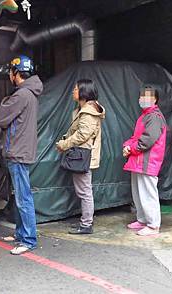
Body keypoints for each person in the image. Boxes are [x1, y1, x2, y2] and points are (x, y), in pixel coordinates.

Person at [0, 55, 42, 255]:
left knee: (23, 198)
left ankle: (29, 240)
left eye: (11, 74)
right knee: (21, 196)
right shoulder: (29, 93)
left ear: (16, 74)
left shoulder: (22, 95)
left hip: (18, 153)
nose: (10, 77)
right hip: (21, 151)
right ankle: (22, 235)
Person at [56, 79, 106, 235]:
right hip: (80, 154)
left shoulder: (88, 112)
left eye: (76, 89)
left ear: (84, 91)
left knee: (84, 192)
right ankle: (85, 222)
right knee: (83, 190)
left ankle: (86, 224)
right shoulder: (83, 110)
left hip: (82, 155)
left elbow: (82, 135)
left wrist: (64, 144)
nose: (73, 91)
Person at [122, 86, 168, 236]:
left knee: (148, 193)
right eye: (142, 96)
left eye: (147, 96)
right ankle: (142, 220)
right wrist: (127, 146)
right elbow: (137, 138)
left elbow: (148, 140)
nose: (143, 99)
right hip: (138, 160)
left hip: (148, 161)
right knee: (138, 192)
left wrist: (131, 148)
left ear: (155, 99)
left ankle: (153, 225)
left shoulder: (154, 116)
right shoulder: (144, 116)